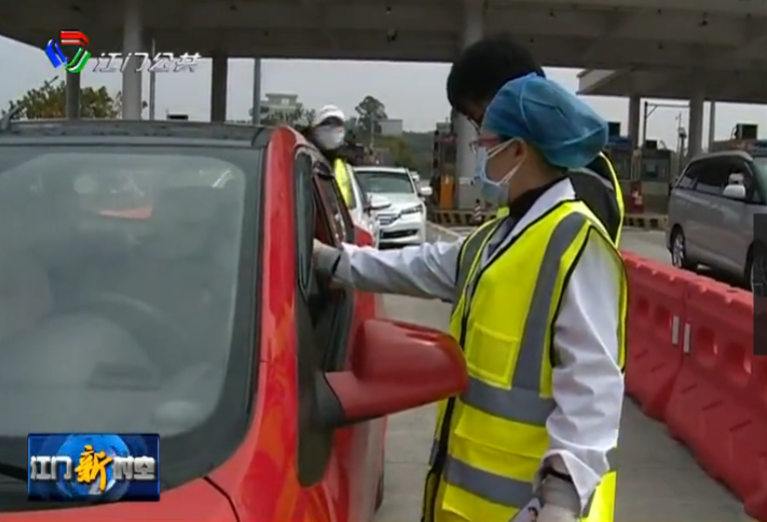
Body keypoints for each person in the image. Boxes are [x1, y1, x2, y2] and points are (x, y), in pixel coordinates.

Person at [313, 73, 627, 522]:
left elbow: (594, 386)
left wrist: (562, 494)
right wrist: (333, 260)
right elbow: (415, 266)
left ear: (519, 150)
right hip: (465, 503)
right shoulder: (494, 238)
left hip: (530, 508)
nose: (480, 159)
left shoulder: (578, 242)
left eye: (486, 146)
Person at [446, 34, 625, 244]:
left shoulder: (583, 186)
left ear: (515, 100)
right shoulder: (531, 181)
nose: (482, 137)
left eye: (481, 120)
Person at [306, 105, 354, 207]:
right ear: (315, 130)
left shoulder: (345, 167)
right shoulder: (305, 161)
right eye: (327, 124)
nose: (332, 129)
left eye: (338, 124)